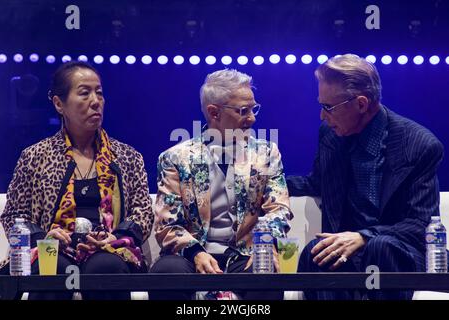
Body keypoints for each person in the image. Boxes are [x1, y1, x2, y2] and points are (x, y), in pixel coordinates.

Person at [287, 54, 444, 300]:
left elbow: (419, 224)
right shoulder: (330, 134)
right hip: (347, 251)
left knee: (379, 248)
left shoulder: (419, 145)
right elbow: (316, 183)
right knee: (316, 253)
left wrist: (364, 237)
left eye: (328, 107)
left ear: (361, 104)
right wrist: (267, 182)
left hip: (397, 251)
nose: (322, 116)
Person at [0, 61, 154, 300]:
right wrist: (43, 238)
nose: (95, 101)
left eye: (99, 93)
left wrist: (117, 236)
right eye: (85, 93)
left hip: (109, 249)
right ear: (59, 104)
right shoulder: (35, 156)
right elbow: (13, 216)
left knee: (104, 268)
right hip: (52, 250)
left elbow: (143, 211)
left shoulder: (127, 157)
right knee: (53, 269)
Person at [150, 69, 292, 300]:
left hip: (246, 252)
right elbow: (168, 224)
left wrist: (264, 244)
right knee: (167, 272)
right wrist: (195, 252)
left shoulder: (266, 152)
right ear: (214, 112)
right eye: (243, 111)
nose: (253, 118)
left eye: (253, 109)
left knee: (267, 272)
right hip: (192, 255)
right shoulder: (175, 158)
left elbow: (278, 208)